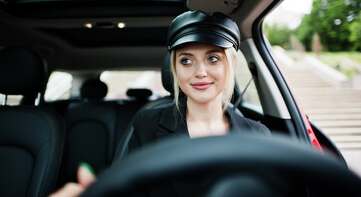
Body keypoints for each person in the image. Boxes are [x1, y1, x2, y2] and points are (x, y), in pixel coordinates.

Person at [50, 10, 270, 197]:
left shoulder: (258, 135)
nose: (200, 72)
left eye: (213, 58)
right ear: (175, 69)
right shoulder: (147, 124)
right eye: (186, 60)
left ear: (230, 64)